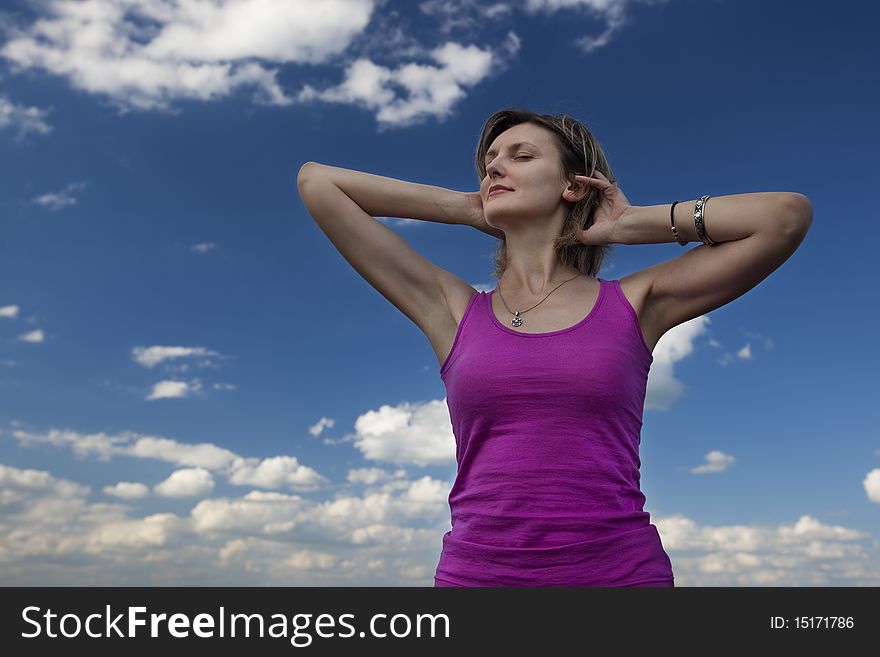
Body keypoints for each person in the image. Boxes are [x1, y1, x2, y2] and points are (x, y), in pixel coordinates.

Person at [296, 107, 813, 587]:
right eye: (489, 163)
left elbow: (783, 217)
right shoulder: (453, 310)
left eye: (521, 156)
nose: (496, 168)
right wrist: (467, 207)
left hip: (619, 575)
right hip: (478, 577)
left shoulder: (636, 304)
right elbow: (318, 182)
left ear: (573, 184)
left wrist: (633, 224)